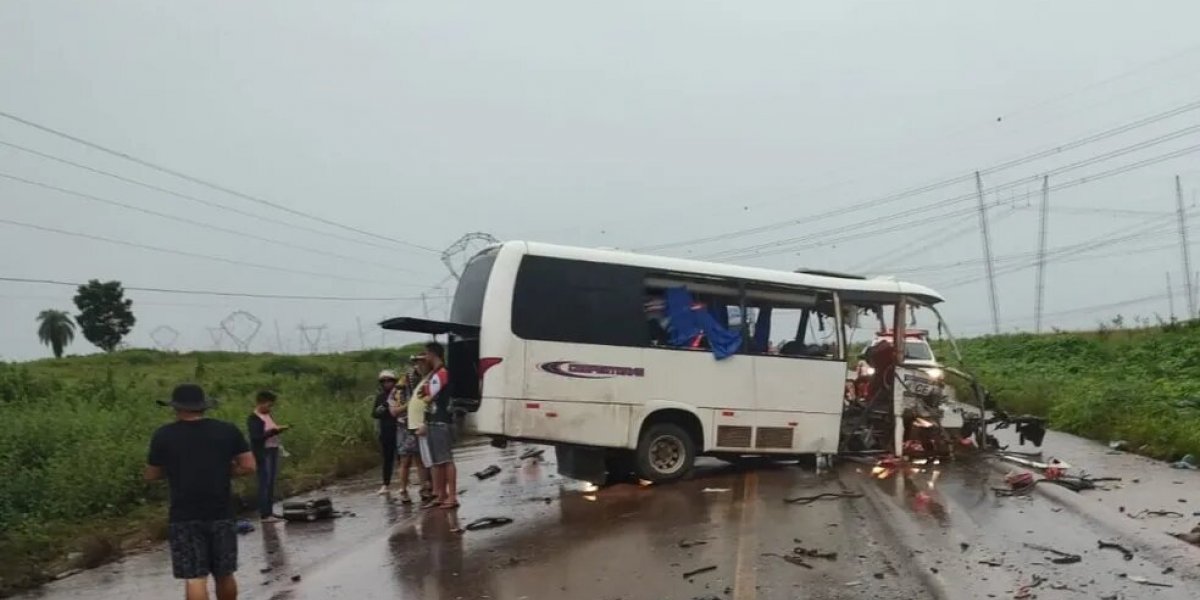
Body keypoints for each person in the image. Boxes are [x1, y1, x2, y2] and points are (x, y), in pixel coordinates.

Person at [146, 383, 255, 600]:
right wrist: (223, 470)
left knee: (195, 577)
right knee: (225, 574)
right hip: (221, 512)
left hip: (184, 515)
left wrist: (178, 470)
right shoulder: (227, 430)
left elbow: (151, 475)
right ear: (204, 406)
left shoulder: (163, 435)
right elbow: (249, 466)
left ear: (175, 408)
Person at [414, 341, 458, 509]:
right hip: (433, 420)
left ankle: (452, 496)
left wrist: (425, 390)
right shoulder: (433, 374)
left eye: (426, 354)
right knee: (437, 462)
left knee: (446, 460)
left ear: (432, 354)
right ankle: (440, 494)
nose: (424, 358)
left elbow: (427, 396)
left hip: (441, 420)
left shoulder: (441, 373)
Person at [388, 364, 432, 504]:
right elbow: (394, 411)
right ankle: (403, 490)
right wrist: (410, 404)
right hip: (404, 427)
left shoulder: (425, 385)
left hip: (419, 425)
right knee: (405, 461)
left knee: (421, 460)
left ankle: (424, 488)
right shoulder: (399, 390)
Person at [246, 390, 287, 523]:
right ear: (260, 403)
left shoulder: (267, 416)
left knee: (270, 483)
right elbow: (256, 437)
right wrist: (272, 432)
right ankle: (264, 514)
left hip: (273, 449)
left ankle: (269, 512)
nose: (270, 408)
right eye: (269, 405)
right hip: (263, 452)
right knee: (265, 482)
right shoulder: (254, 418)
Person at [372, 370, 401, 495]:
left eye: (389, 380)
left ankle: (403, 483)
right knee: (387, 459)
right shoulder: (380, 397)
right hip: (386, 431)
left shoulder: (399, 395)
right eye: (383, 381)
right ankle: (385, 484)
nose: (386, 383)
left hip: (399, 429)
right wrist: (382, 408)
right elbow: (374, 414)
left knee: (402, 458)